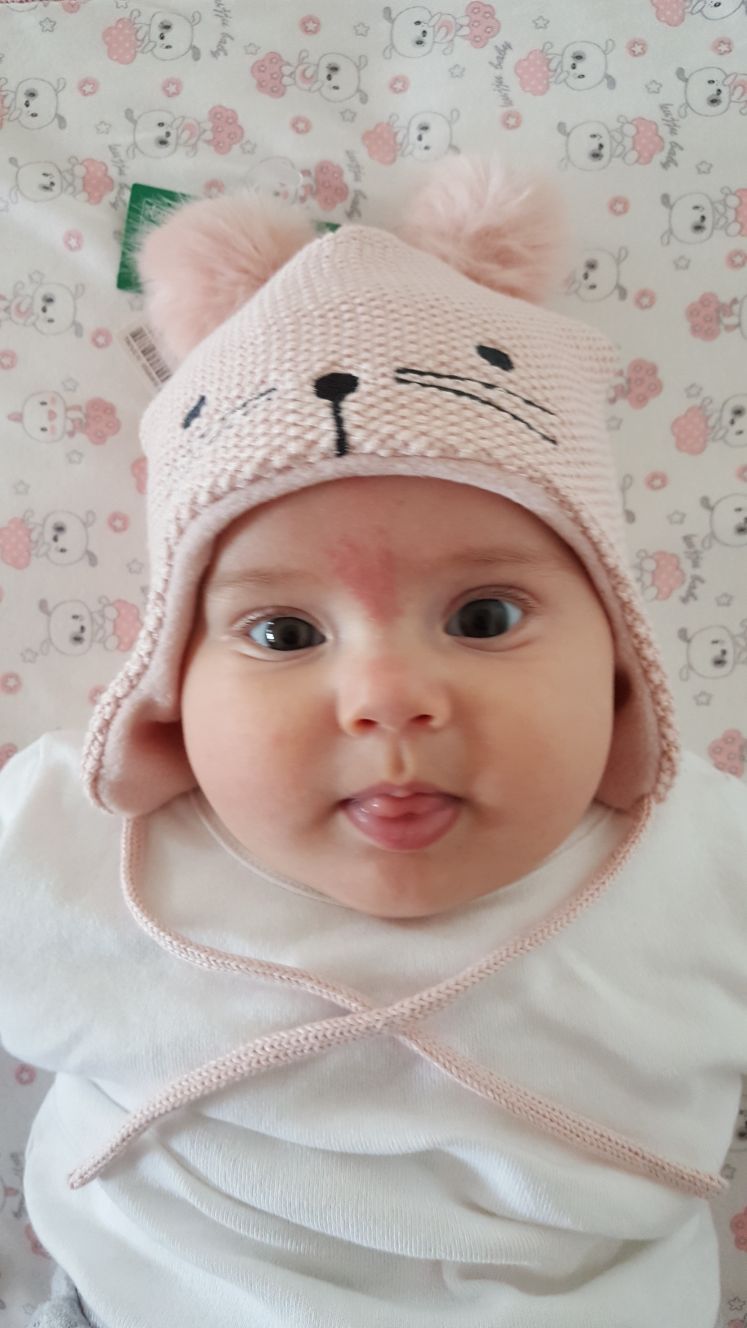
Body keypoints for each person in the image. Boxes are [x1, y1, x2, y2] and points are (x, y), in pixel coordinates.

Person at [1, 155, 745, 1328]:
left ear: (618, 663)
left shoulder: (705, 856)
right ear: (168, 688)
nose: (388, 699)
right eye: (284, 632)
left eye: (484, 618)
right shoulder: (83, 839)